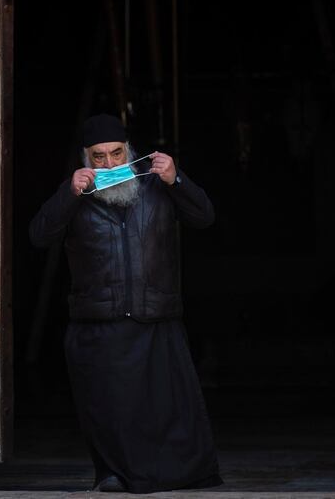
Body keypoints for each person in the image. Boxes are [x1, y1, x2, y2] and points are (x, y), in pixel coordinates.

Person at [29, 113, 223, 493]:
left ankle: (177, 475)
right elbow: (39, 236)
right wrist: (67, 194)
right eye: (98, 157)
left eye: (116, 154)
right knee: (110, 410)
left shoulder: (157, 187)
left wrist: (177, 179)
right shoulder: (76, 195)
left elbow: (204, 217)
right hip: (101, 320)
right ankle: (115, 474)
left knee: (167, 409)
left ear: (129, 151)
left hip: (155, 317)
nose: (109, 164)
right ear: (87, 160)